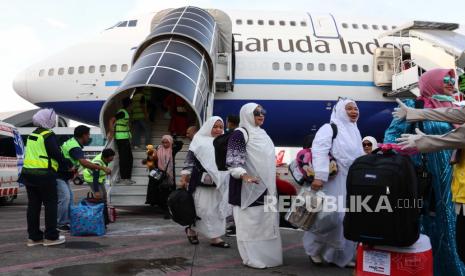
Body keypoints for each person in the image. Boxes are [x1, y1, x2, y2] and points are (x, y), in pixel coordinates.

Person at [392, 69, 465, 275]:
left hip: (453, 181)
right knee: (431, 224)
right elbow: (393, 138)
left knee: (453, 230)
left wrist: (423, 141)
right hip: (428, 179)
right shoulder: (416, 105)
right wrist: (407, 151)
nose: (452, 83)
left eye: (454, 79)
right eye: (447, 79)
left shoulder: (456, 106)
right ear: (432, 82)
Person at [303, 98, 364, 267]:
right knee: (329, 218)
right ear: (340, 111)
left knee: (348, 219)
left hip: (350, 181)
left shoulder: (355, 131)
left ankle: (338, 256)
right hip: (332, 180)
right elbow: (319, 150)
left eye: (356, 109)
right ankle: (314, 250)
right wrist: (320, 176)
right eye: (349, 108)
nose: (354, 112)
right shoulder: (329, 128)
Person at [226, 103, 283, 268]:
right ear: (247, 114)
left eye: (263, 112)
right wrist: (245, 176)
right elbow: (233, 161)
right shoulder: (239, 134)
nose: (261, 115)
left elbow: (266, 160)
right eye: (257, 112)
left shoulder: (263, 134)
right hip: (247, 187)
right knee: (248, 224)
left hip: (267, 187)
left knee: (265, 222)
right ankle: (250, 258)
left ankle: (267, 257)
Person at [180, 116, 231, 248]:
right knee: (200, 209)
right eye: (215, 126)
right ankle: (191, 230)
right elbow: (190, 160)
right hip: (201, 183)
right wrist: (185, 175)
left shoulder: (225, 142)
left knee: (217, 210)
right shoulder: (199, 140)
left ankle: (215, 237)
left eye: (221, 127)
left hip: (219, 183)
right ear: (209, 127)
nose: (218, 129)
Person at [20, 109, 67, 246]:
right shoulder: (48, 135)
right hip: (44, 175)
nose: (53, 121)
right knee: (50, 204)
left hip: (28, 174)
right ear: (47, 120)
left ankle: (34, 237)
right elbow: (56, 154)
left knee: (33, 206)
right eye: (52, 119)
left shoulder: (32, 135)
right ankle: (51, 237)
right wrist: (67, 165)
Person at [56, 125, 111, 232]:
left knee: (70, 198)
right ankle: (60, 224)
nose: (89, 137)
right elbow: (84, 163)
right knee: (65, 198)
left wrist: (74, 171)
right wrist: (102, 168)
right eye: (88, 135)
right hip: (57, 175)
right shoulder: (75, 147)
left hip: (63, 175)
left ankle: (67, 221)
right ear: (84, 135)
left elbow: (73, 161)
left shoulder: (73, 143)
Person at [147, 135, 175, 218]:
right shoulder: (158, 148)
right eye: (163, 142)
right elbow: (152, 159)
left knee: (167, 193)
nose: (165, 144)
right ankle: (165, 211)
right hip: (159, 174)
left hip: (168, 174)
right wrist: (152, 154)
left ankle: (168, 211)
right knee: (161, 193)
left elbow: (180, 144)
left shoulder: (172, 150)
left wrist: (172, 142)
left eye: (167, 142)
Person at [109, 97, 134, 184]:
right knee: (125, 159)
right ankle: (124, 178)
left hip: (124, 138)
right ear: (129, 104)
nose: (132, 106)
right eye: (132, 104)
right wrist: (112, 133)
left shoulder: (124, 112)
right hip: (121, 138)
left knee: (129, 158)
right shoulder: (122, 112)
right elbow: (111, 120)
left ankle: (126, 177)